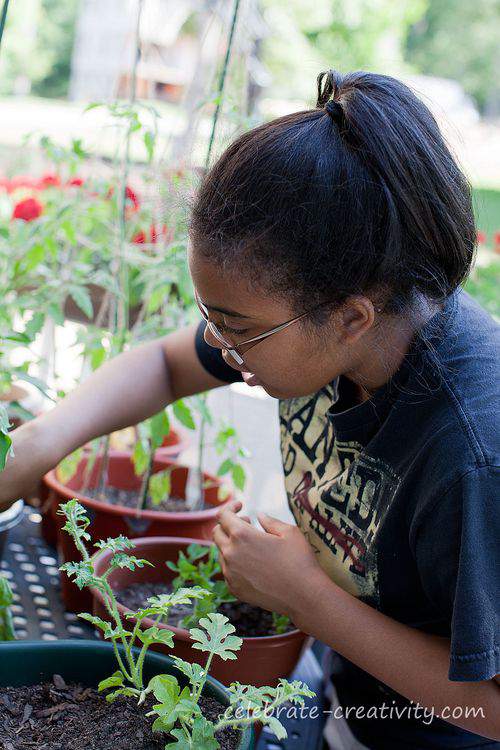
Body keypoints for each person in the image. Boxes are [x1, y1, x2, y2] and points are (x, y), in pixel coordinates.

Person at [1, 69, 499, 748]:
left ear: (351, 317)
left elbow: (491, 707)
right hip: (344, 698)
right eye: (212, 315)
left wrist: (304, 596)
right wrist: (39, 441)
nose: (215, 341)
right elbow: (164, 364)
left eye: (236, 325)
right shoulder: (343, 329)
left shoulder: (472, 454)